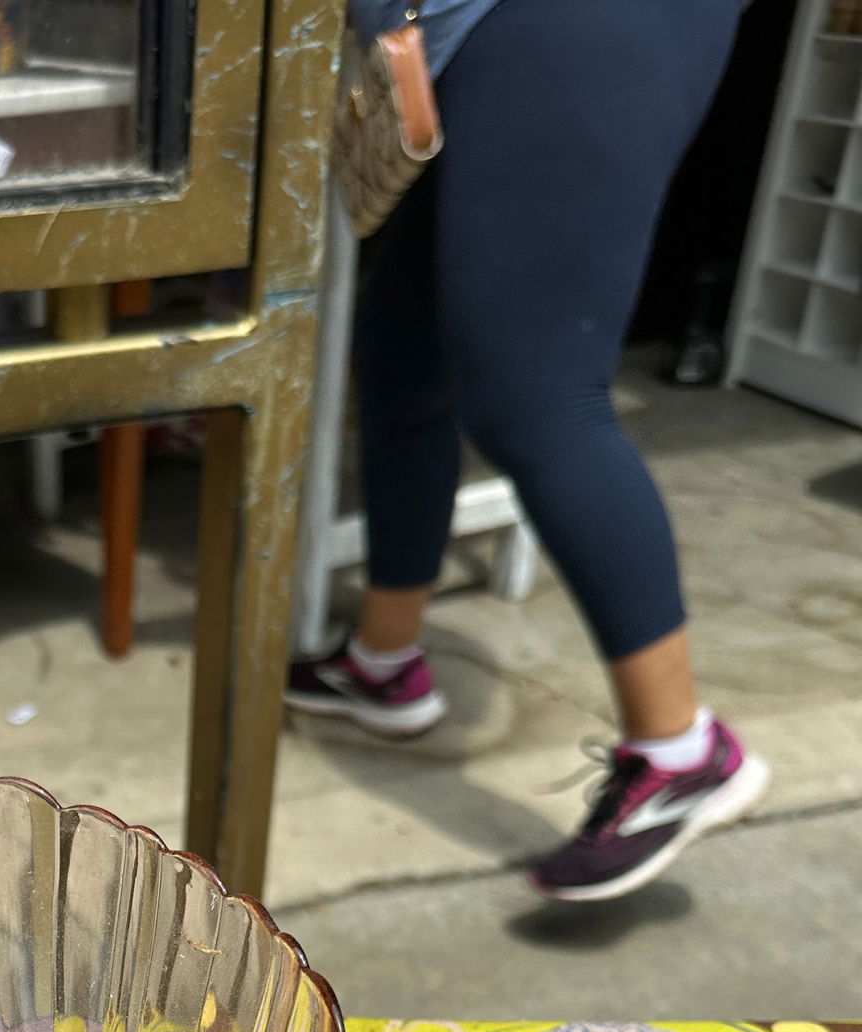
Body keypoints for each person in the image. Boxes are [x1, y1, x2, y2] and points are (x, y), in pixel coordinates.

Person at [285, 0, 767, 903]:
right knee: (402, 350)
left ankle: (682, 750)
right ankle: (383, 665)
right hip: (479, 30)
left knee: (541, 400)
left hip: (557, 18)